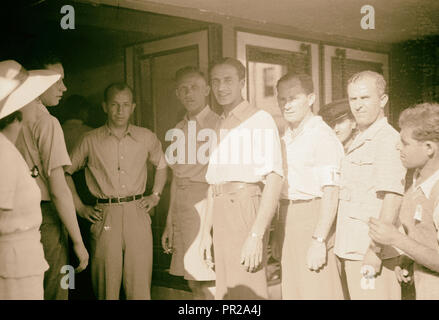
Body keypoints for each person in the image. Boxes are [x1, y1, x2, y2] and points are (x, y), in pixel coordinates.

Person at [65, 82, 167, 300]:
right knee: (105, 289)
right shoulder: (89, 139)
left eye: (125, 105)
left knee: (139, 290)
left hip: (137, 212)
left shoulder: (146, 136)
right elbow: (64, 173)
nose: (120, 111)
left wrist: (155, 195)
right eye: (114, 105)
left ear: (133, 107)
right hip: (105, 216)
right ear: (104, 106)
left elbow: (163, 165)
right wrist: (80, 207)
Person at [199, 57, 284, 300]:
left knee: (248, 290)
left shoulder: (260, 120)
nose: (221, 87)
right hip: (221, 210)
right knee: (228, 291)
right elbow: (213, 183)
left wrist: (256, 236)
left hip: (245, 206)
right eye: (215, 81)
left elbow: (275, 178)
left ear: (242, 83)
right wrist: (206, 233)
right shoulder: (218, 124)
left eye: (228, 80)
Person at [15, 55, 89, 300]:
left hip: (13, 218)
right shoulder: (47, 122)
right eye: (57, 80)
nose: (64, 88)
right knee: (54, 291)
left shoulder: (11, 117)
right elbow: (58, 190)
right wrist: (78, 241)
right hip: (45, 219)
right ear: (36, 80)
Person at [271, 73, 344, 299]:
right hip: (288, 219)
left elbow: (331, 192)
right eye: (282, 99)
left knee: (317, 290)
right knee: (294, 292)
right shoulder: (286, 136)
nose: (286, 104)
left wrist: (319, 240)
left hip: (312, 217)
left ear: (311, 98)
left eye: (293, 98)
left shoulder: (321, 136)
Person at [334, 70, 406, 300]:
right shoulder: (357, 139)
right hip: (351, 249)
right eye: (353, 99)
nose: (358, 105)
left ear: (383, 100)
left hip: (372, 254)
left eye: (365, 98)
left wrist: (375, 251)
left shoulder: (387, 140)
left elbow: (392, 198)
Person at [0, 60, 62, 299]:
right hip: (12, 268)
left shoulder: (10, 149)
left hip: (22, 263)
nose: (37, 104)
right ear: (17, 105)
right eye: (32, 98)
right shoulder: (3, 152)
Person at [369, 102, 439, 300]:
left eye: (405, 142)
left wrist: (396, 239)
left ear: (429, 148)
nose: (397, 146)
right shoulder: (415, 181)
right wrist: (408, 259)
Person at [162, 66, 218, 299]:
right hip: (182, 208)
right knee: (192, 281)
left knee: (207, 280)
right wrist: (169, 223)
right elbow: (176, 177)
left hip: (205, 205)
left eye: (194, 87)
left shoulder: (218, 124)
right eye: (183, 89)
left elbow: (217, 179)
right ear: (177, 94)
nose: (189, 93)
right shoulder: (178, 128)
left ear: (206, 90)